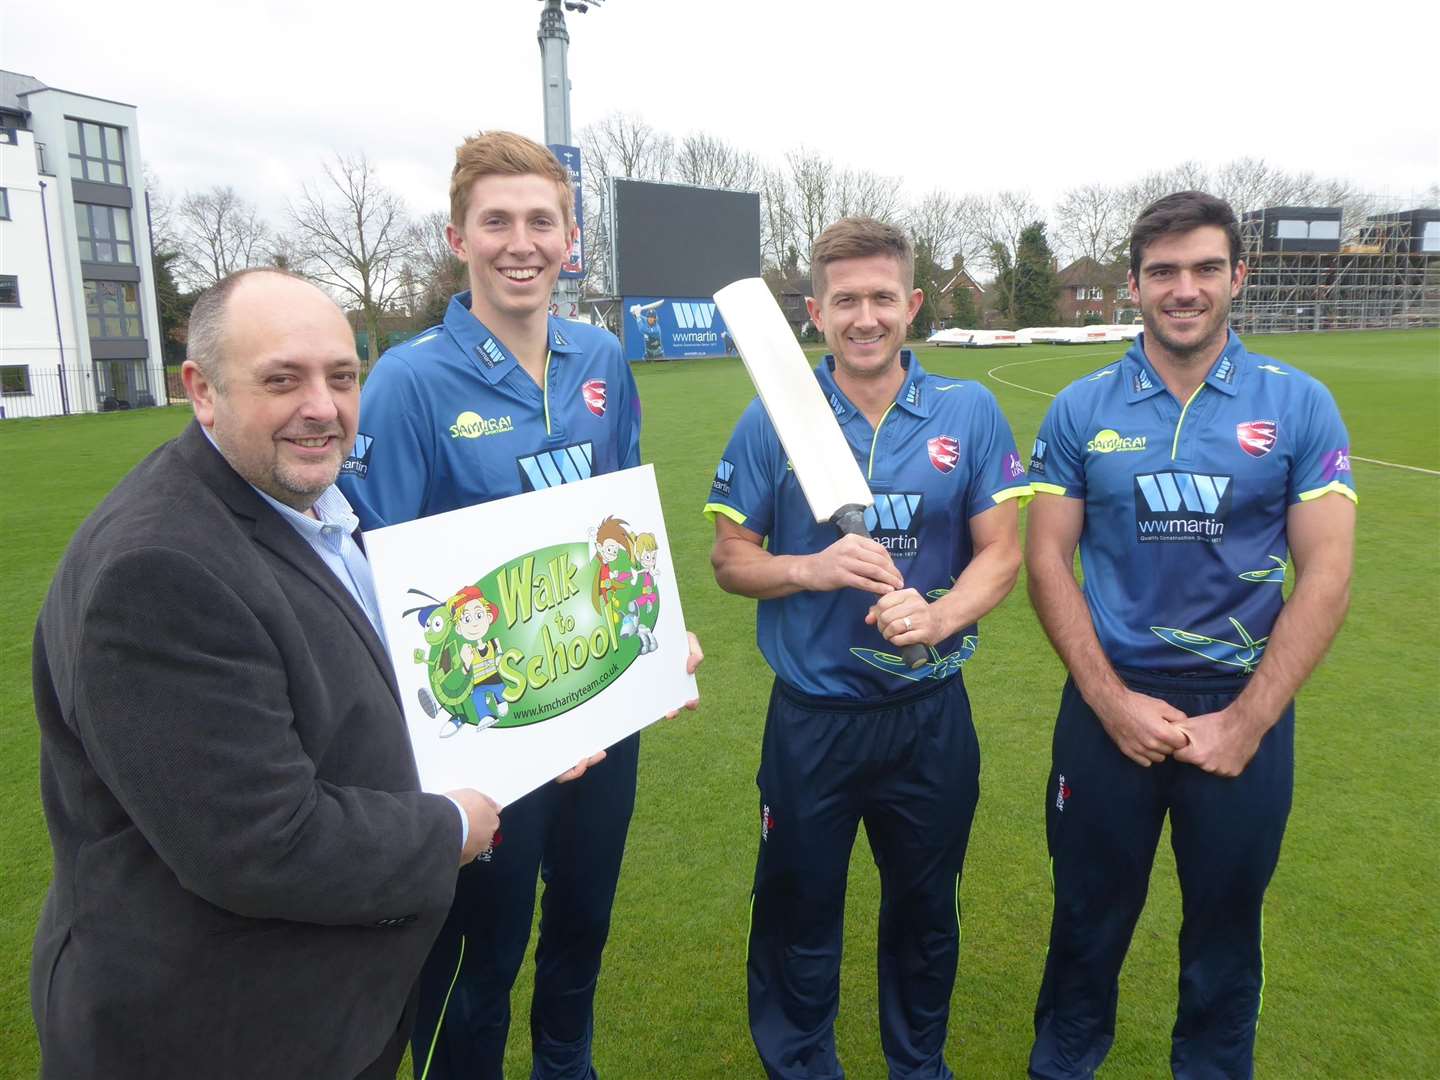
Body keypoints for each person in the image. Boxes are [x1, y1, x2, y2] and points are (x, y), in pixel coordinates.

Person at [29, 268, 502, 1080]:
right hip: (219, 1033)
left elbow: (363, 702)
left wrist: (529, 732)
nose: (322, 406)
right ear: (202, 390)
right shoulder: (160, 570)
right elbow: (264, 845)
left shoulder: (302, 504)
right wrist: (455, 827)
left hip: (320, 1008)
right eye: (282, 379)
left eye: (342, 376)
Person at [338, 130, 700, 1080]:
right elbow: (377, 573)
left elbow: (622, 531)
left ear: (571, 237)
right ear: (457, 236)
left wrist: (660, 630)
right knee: (481, 958)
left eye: (542, 220)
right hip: (486, 726)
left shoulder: (603, 358)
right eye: (496, 221)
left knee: (582, 921)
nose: (521, 242)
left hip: (603, 710)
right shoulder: (410, 381)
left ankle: (565, 1066)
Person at [1024, 191, 1356, 1079]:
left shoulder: (1300, 404)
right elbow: (1047, 561)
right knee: (1085, 927)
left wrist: (1247, 722)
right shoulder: (1079, 406)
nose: (1185, 289)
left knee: (1224, 938)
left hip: (1242, 714)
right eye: (1164, 271)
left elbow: (1326, 574)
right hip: (1107, 712)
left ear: (1237, 277)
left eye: (1206, 268)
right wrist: (1110, 701)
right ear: (1133, 284)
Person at [705, 216, 1030, 1079]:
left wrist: (941, 615)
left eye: (882, 297)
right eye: (844, 300)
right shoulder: (774, 416)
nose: (864, 317)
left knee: (926, 912)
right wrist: (810, 570)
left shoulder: (969, 411)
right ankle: (803, 1066)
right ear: (814, 312)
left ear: (912, 304)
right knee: (798, 912)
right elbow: (730, 561)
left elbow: (1003, 550)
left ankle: (916, 1065)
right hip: (815, 719)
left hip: (928, 717)